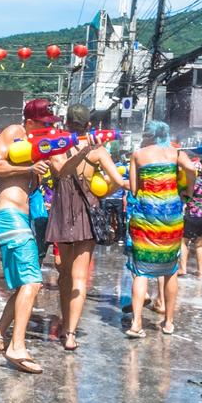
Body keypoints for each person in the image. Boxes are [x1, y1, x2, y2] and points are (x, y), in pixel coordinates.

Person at [0, 99, 53, 373]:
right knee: (32, 283)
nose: (48, 127)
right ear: (30, 121)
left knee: (25, 284)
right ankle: (17, 347)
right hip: (10, 214)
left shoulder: (34, 142)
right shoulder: (12, 132)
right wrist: (28, 169)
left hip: (21, 216)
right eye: (44, 123)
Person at [45, 103, 126, 351]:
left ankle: (64, 320)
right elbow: (118, 182)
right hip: (87, 214)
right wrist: (99, 192)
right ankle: (70, 333)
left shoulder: (57, 145)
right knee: (79, 276)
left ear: (66, 123)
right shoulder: (98, 151)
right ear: (88, 125)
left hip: (61, 213)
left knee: (65, 275)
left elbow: (58, 172)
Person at [125, 120, 198, 338]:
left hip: (146, 217)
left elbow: (135, 189)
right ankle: (168, 322)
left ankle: (137, 323)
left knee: (140, 271)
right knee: (170, 270)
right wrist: (188, 190)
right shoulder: (175, 153)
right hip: (171, 217)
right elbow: (192, 168)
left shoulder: (138, 155)